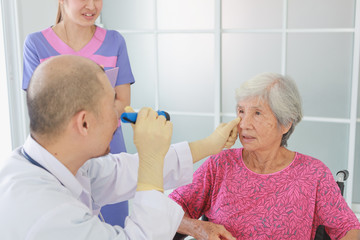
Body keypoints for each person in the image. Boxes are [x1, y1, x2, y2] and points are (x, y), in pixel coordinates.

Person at [0, 55, 240, 239]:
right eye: (112, 102)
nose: (122, 112)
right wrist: (151, 158)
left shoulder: (54, 163)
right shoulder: (45, 214)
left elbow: (122, 171)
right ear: (84, 123)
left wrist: (209, 144)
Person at [169, 72, 360, 239]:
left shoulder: (313, 174)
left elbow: (349, 229)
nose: (244, 124)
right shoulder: (219, 165)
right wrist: (199, 228)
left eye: (257, 113)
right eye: (241, 111)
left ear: (285, 123)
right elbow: (166, 211)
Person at [22, 0, 134, 225]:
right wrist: (95, 117)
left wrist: (84, 122)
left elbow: (122, 101)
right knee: (64, 225)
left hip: (109, 148)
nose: (92, 6)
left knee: (115, 226)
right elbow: (40, 110)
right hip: (61, 156)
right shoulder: (36, 44)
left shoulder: (114, 42)